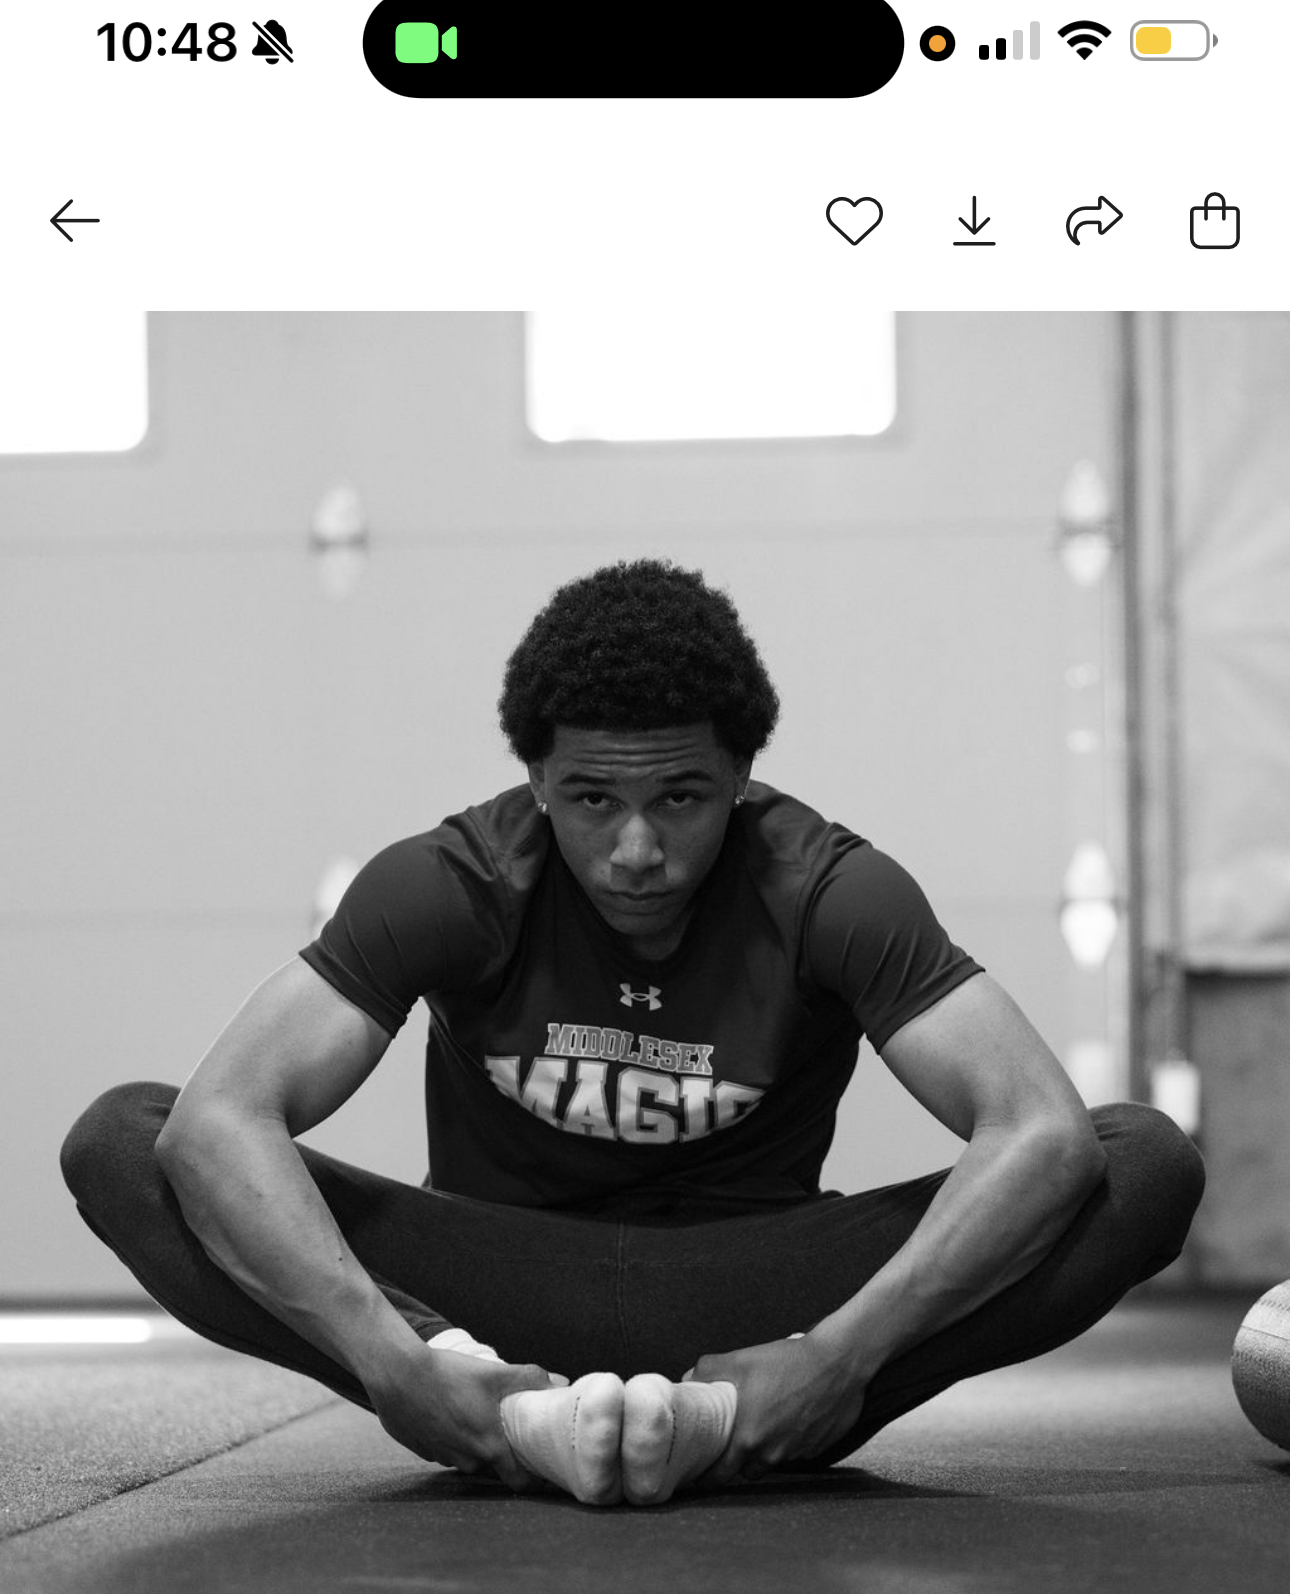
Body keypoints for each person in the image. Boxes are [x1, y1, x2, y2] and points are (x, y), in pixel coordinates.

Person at [61, 558, 1204, 1508]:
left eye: (681, 799)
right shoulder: (452, 883)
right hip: (494, 1284)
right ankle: (496, 1405)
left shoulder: (828, 889)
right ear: (537, 779)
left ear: (742, 776)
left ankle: (741, 1418)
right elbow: (218, 1122)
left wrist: (840, 1355)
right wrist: (394, 1360)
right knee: (128, 1140)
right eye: (593, 800)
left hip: (754, 1290)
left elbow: (1040, 1131)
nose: (637, 851)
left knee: (1138, 1163)